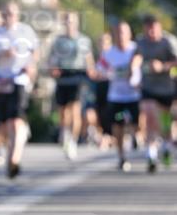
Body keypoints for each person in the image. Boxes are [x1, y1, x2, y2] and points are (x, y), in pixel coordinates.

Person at [0, 0, 38, 178]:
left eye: (13, 13)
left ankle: (14, 159)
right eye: (6, 14)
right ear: (1, 15)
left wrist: (31, 67)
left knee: (15, 120)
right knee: (3, 124)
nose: (10, 17)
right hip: (0, 81)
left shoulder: (26, 31)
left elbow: (35, 53)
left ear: (18, 14)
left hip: (19, 80)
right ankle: (7, 149)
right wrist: (1, 54)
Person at [47, 12, 95, 160]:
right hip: (63, 77)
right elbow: (51, 59)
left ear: (77, 23)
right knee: (63, 113)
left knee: (75, 110)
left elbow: (89, 59)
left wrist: (91, 71)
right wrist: (52, 69)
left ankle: (73, 141)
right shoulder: (58, 41)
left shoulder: (83, 40)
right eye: (67, 21)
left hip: (78, 76)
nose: (70, 24)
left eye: (72, 21)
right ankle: (65, 134)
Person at [135, 15, 177, 171]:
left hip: (166, 89)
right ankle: (151, 154)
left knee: (164, 124)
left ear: (159, 27)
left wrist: (163, 66)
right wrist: (134, 72)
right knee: (149, 116)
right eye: (148, 29)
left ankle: (166, 146)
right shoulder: (140, 42)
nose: (151, 33)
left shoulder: (168, 42)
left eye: (154, 29)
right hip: (148, 87)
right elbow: (136, 58)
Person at [100, 21, 141, 172]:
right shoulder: (108, 53)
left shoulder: (136, 49)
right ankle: (121, 156)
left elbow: (142, 63)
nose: (121, 36)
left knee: (137, 123)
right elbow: (99, 70)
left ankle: (135, 134)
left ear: (129, 34)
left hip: (134, 95)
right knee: (118, 124)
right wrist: (104, 73)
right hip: (116, 96)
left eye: (123, 32)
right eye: (118, 33)